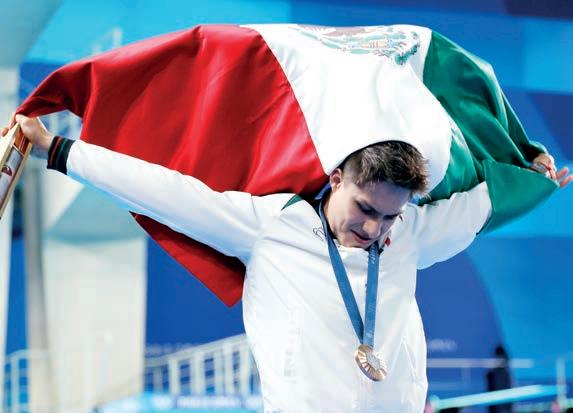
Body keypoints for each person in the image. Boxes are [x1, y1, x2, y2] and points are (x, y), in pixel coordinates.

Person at [2, 114, 571, 412]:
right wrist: (59, 149)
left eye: (389, 217)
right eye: (365, 209)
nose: (374, 229)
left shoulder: (413, 232)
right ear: (336, 179)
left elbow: (482, 206)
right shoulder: (272, 227)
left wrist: (535, 178)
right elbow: (165, 192)